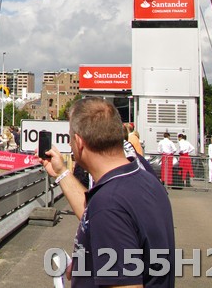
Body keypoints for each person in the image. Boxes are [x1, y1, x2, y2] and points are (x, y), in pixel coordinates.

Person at [41, 98, 175, 287]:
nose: (70, 145)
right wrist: (61, 173)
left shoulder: (109, 204)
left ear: (79, 142)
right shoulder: (145, 179)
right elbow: (93, 217)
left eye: (70, 138)